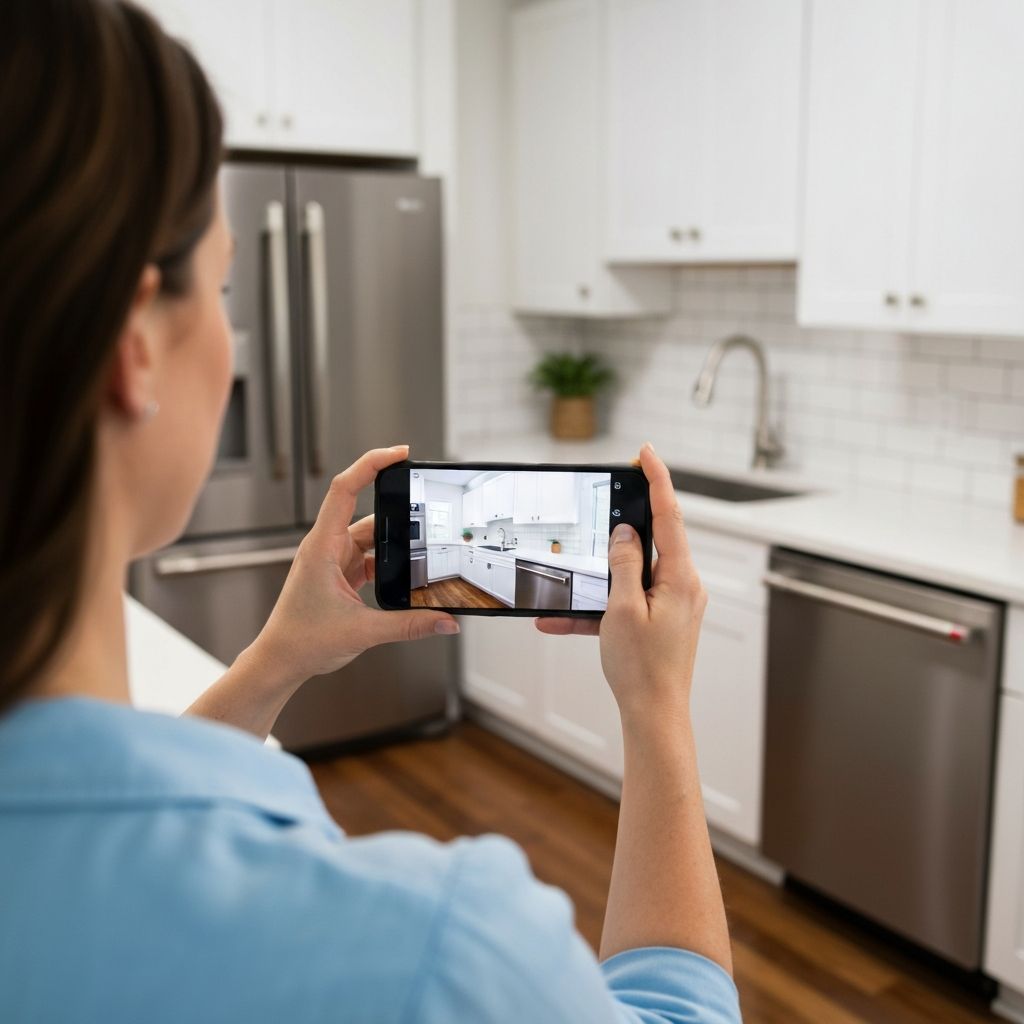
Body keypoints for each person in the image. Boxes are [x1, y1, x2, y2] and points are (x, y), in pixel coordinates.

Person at [0, 2, 741, 1021]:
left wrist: (277, 660)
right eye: (220, 284)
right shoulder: (433, 954)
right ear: (134, 349)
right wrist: (657, 712)